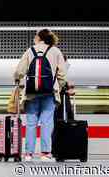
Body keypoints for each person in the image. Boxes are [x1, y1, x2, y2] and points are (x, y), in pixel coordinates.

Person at [14, 29, 68, 161]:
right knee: (47, 122)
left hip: (31, 93)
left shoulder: (30, 50)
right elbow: (62, 74)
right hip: (49, 93)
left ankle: (28, 154)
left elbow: (19, 71)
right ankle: (45, 153)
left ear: (39, 37)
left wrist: (17, 80)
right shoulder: (55, 51)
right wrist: (58, 86)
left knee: (31, 123)